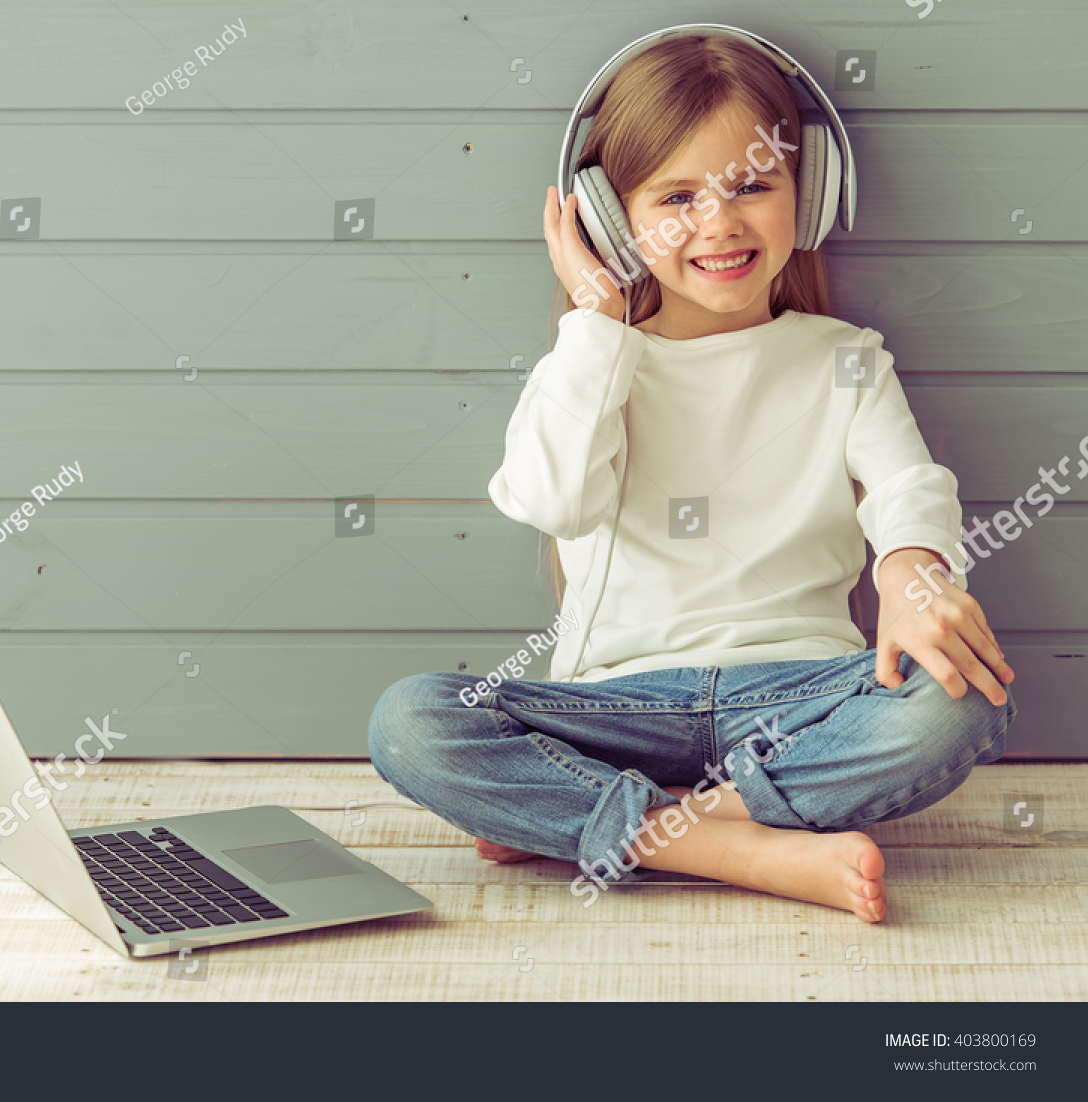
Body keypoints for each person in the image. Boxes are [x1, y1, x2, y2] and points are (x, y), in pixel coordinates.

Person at [366, 33, 1015, 923]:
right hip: (613, 709)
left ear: (812, 193)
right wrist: (596, 320)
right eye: (677, 198)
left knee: (965, 697)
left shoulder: (844, 360)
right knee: (411, 719)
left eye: (753, 184)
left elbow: (910, 488)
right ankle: (742, 848)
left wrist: (912, 574)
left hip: (796, 697)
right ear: (609, 219)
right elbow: (551, 500)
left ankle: (605, 824)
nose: (719, 225)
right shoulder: (592, 362)